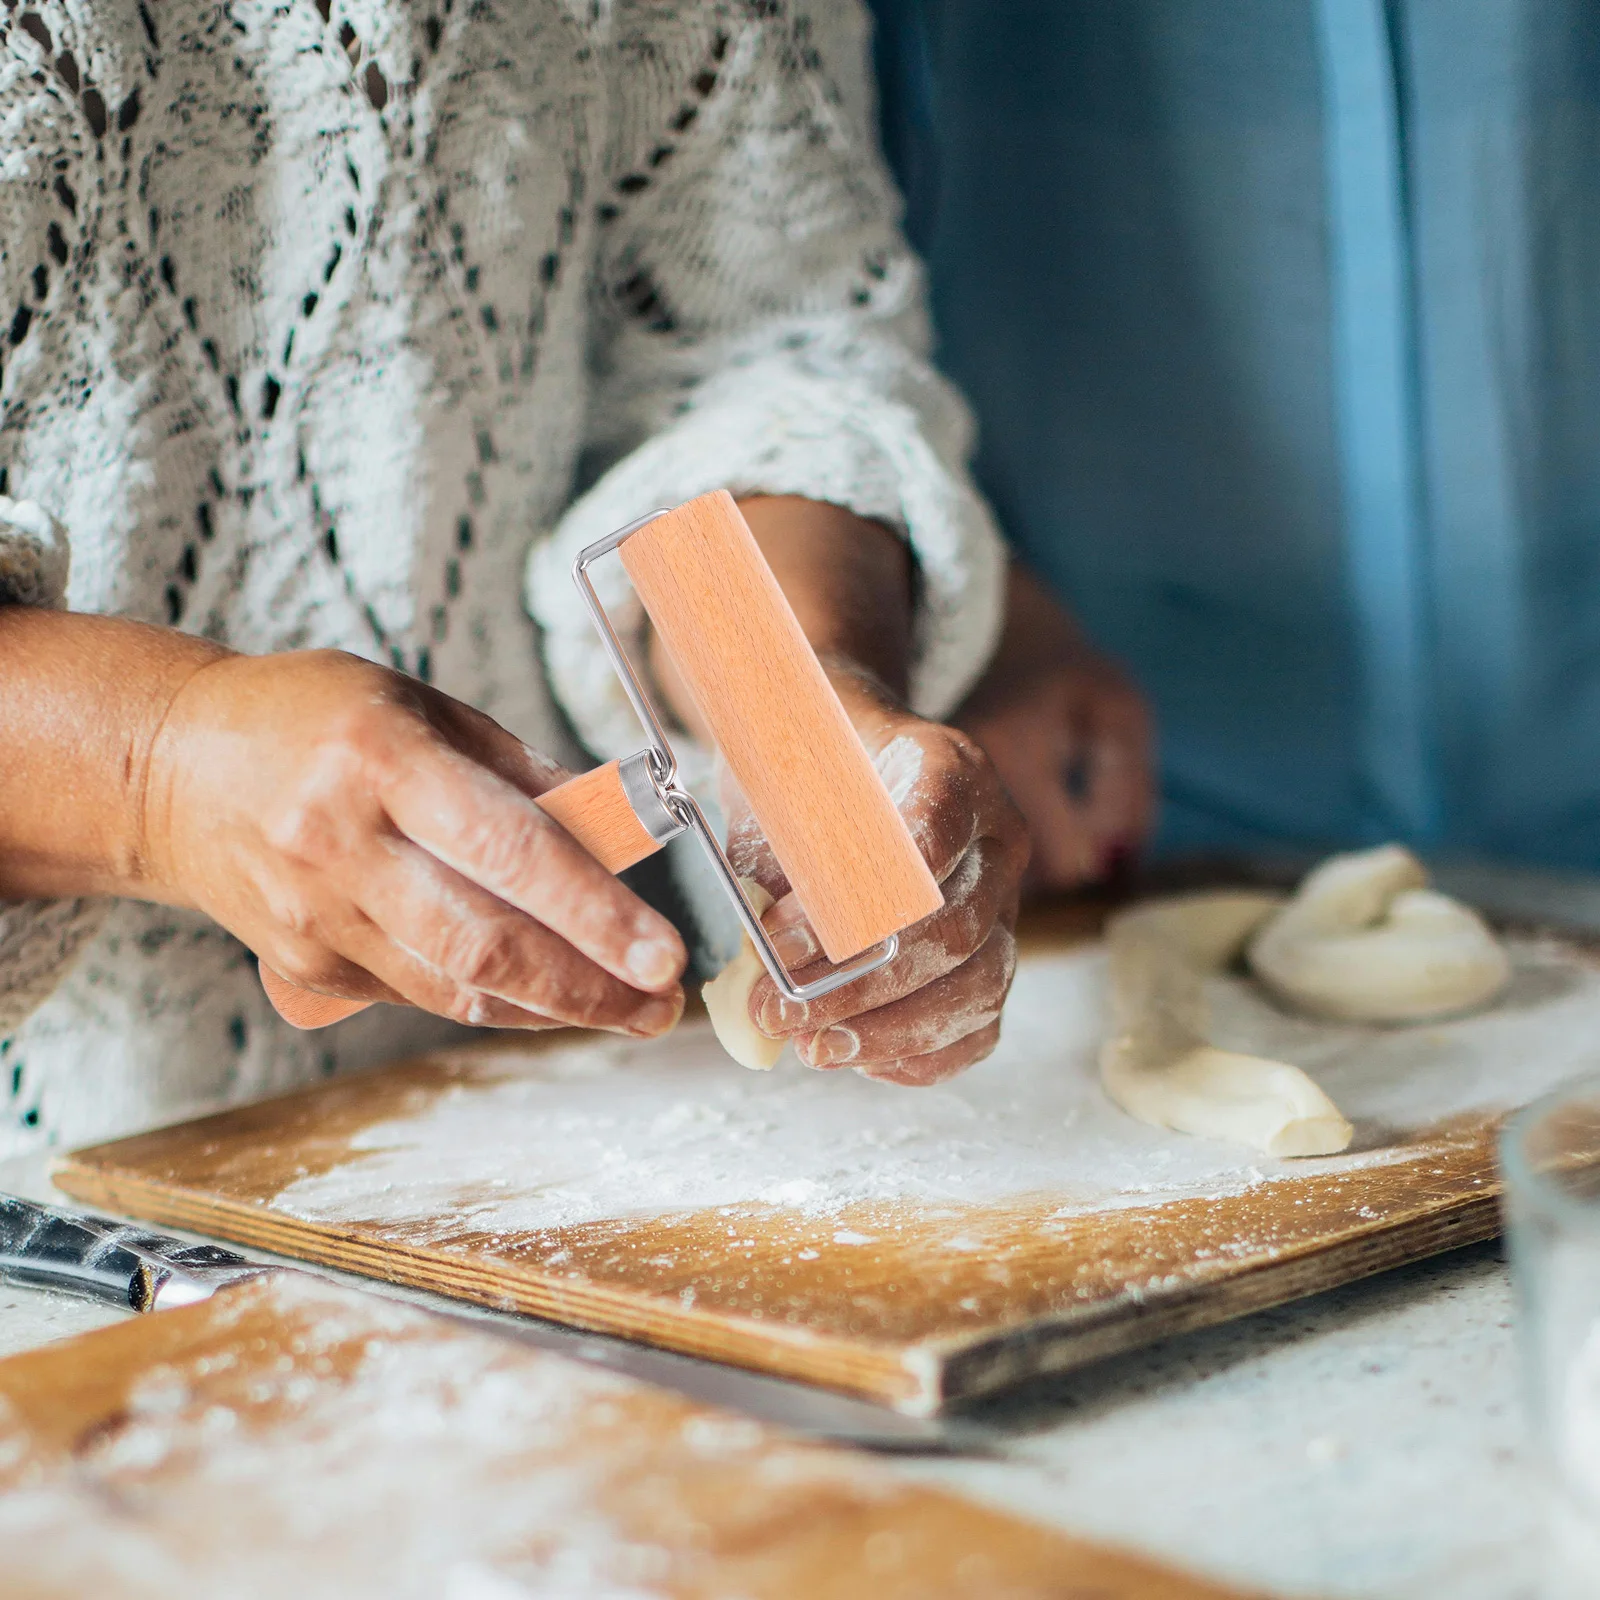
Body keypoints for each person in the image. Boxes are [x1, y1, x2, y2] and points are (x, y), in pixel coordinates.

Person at [0, 0, 1041, 1155]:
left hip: (526, 1122)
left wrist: (799, 717)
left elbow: (755, 349)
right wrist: (154, 772)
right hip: (48, 1175)